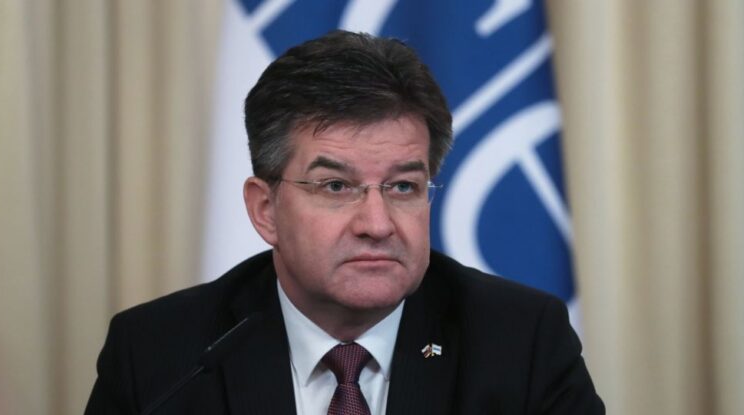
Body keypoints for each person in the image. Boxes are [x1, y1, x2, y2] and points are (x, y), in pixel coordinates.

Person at [85, 30, 604, 414]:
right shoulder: (160, 355)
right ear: (265, 209)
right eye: (336, 186)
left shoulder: (521, 341)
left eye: (403, 187)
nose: (377, 224)